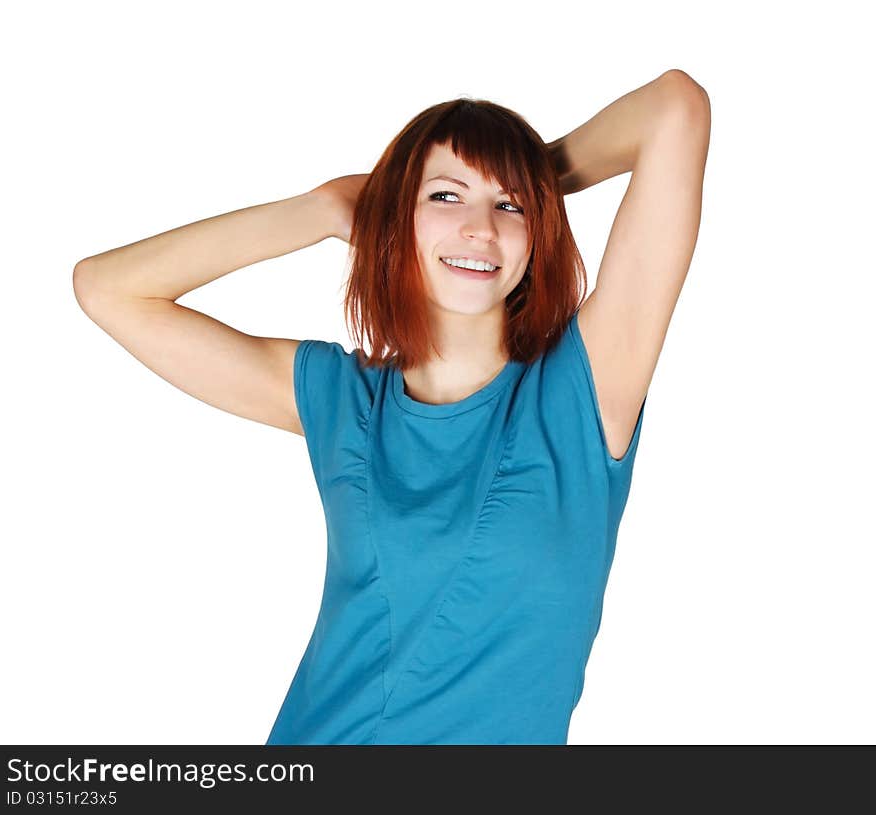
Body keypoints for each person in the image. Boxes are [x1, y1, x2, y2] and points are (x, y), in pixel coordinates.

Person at [73, 70, 710, 744]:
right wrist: (320, 210)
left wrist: (535, 172)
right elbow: (107, 289)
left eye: (509, 206)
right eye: (445, 195)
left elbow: (676, 106)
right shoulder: (342, 402)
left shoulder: (584, 394)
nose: (479, 228)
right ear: (397, 218)